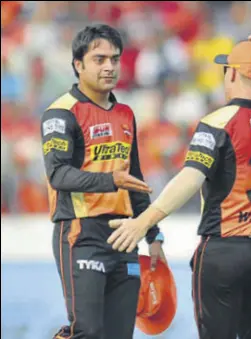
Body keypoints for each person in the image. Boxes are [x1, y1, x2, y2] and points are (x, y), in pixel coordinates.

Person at [107, 7, 251, 339]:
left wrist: (145, 220)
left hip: (223, 250)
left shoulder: (219, 122)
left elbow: (190, 178)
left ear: (232, 75)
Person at [40, 24, 166, 339]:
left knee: (119, 335)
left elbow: (134, 178)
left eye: (114, 59)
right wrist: (110, 180)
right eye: (99, 59)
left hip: (124, 235)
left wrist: (153, 235)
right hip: (81, 233)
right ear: (78, 65)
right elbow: (58, 175)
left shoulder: (125, 113)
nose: (109, 66)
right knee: (88, 332)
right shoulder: (60, 113)